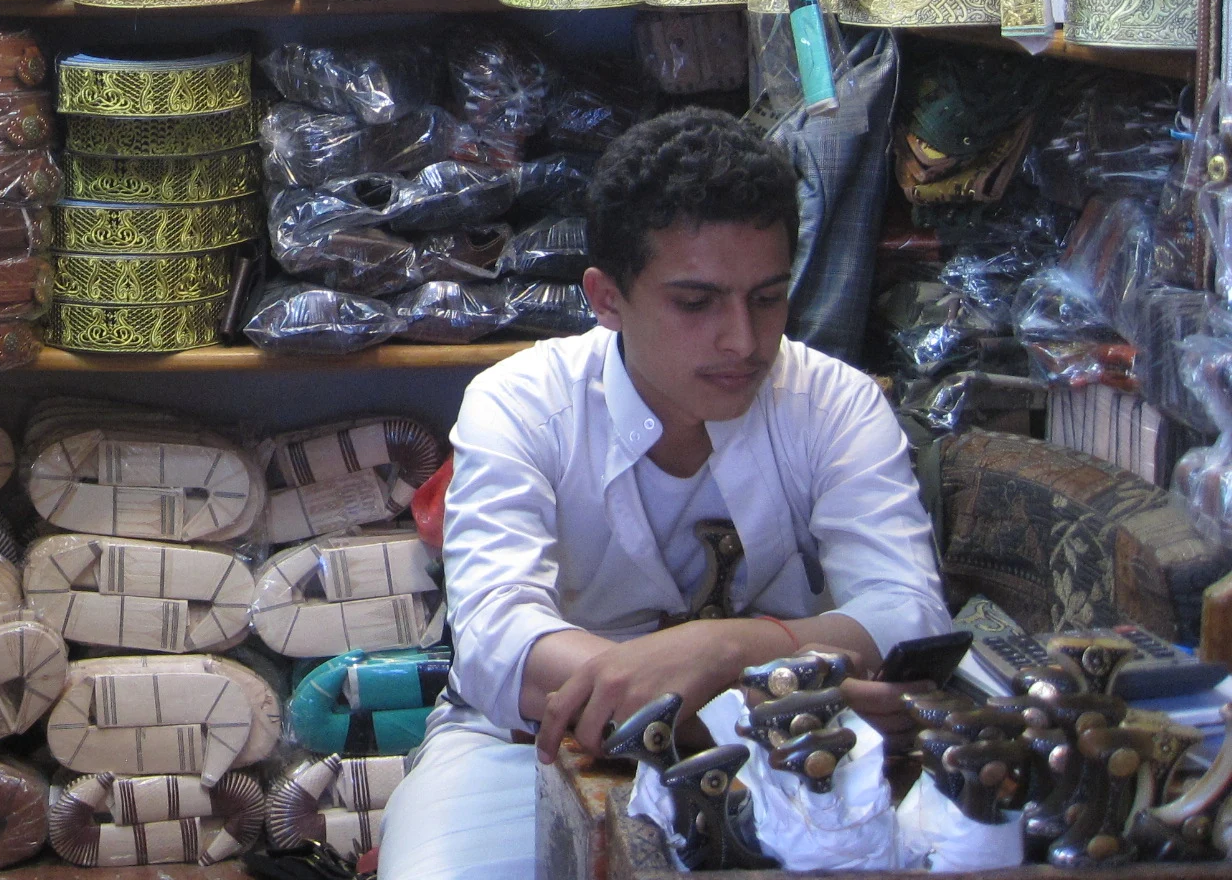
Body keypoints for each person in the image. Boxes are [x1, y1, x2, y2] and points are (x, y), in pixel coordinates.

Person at [378, 108, 952, 880]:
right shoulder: (521, 401)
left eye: (768, 297)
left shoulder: (834, 403)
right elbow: (497, 640)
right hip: (530, 748)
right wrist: (719, 672)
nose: (744, 342)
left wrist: (725, 652)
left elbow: (905, 609)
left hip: (785, 737)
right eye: (696, 302)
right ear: (607, 298)